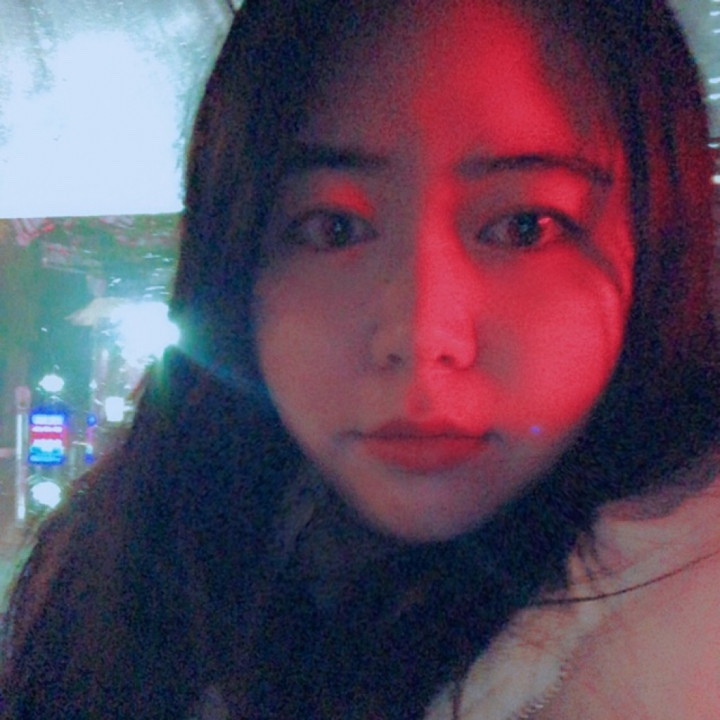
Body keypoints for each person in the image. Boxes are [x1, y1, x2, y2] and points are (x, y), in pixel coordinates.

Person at [2, 0, 720, 717]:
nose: (420, 333)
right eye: (334, 228)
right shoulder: (125, 576)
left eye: (524, 227)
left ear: (656, 242)